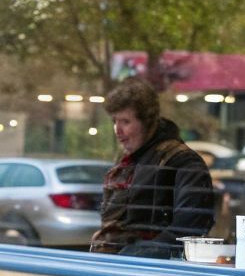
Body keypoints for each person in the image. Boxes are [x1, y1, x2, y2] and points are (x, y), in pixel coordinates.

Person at [90, 77, 217, 258]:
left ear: (148, 122)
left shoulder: (184, 162)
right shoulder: (129, 160)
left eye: (125, 121)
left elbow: (187, 232)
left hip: (153, 274)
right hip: (119, 267)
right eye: (114, 121)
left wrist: (131, 255)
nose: (117, 130)